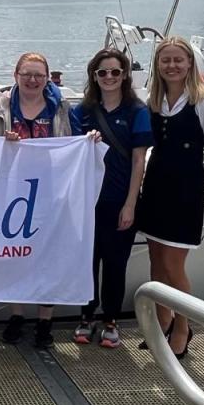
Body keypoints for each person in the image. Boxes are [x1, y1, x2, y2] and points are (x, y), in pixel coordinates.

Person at [136, 36, 204, 359]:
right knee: (156, 260)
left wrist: (195, 183)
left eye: (178, 60)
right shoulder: (154, 100)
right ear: (157, 66)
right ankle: (162, 320)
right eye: (165, 60)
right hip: (157, 186)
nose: (172, 66)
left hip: (185, 190)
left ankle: (183, 327)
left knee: (174, 265)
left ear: (190, 63)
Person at [0, 52, 72, 349]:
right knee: (15, 255)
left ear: (47, 77)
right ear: (16, 75)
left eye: (39, 75)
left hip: (50, 194)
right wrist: (3, 145)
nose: (33, 80)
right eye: (27, 74)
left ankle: (45, 320)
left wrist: (90, 143)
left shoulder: (59, 107)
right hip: (12, 194)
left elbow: (72, 145)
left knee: (48, 257)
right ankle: (17, 314)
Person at [70, 49, 153, 348]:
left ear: (124, 75)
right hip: (86, 202)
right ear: (94, 76)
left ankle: (111, 320)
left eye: (115, 72)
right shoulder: (81, 113)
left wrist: (130, 204)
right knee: (86, 263)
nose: (108, 77)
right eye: (102, 72)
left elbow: (138, 161)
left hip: (120, 200)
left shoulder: (137, 111)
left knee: (116, 264)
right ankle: (85, 317)